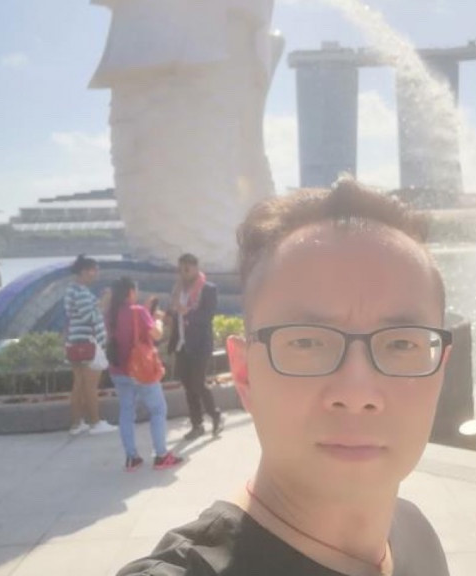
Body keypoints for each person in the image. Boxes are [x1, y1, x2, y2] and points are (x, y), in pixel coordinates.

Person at [117, 177, 452, 576]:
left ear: (440, 370)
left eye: (401, 344)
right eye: (306, 342)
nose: (357, 392)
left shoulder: (416, 534)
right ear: (244, 373)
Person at [106, 276, 183, 471]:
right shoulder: (138, 311)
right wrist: (157, 320)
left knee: (126, 412)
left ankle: (131, 458)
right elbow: (156, 334)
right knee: (158, 410)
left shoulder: (110, 314)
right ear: (131, 292)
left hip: (118, 370)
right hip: (141, 370)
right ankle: (161, 455)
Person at [168, 253, 222, 440]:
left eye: (187, 269)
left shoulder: (208, 289)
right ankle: (196, 425)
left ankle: (215, 414)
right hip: (182, 344)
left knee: (198, 383)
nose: (183, 273)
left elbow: (208, 315)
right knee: (188, 386)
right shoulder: (178, 290)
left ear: (196, 268)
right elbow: (174, 313)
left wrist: (188, 313)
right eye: (181, 269)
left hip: (200, 344)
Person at [63, 255, 117, 436]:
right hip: (88, 342)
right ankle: (95, 422)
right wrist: (106, 299)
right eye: (94, 270)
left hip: (75, 341)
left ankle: (76, 424)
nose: (96, 274)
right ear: (84, 271)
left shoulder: (72, 290)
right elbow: (91, 316)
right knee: (90, 386)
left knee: (79, 385)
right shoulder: (81, 292)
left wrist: (98, 302)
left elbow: (83, 312)